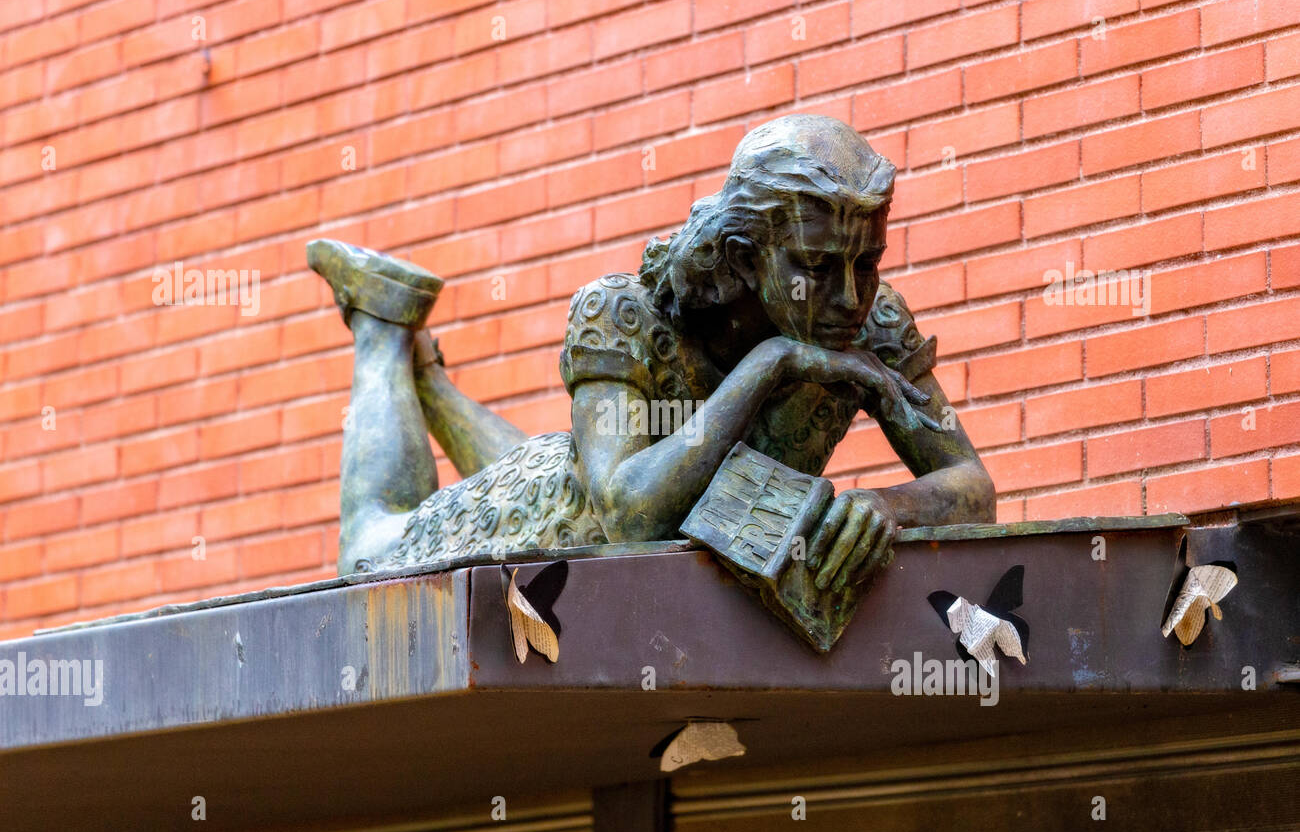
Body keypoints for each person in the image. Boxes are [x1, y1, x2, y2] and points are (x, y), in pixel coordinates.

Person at [309, 114, 994, 601]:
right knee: (369, 548)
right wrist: (774, 363)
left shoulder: (866, 323)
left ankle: (427, 378)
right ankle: (380, 322)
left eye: (868, 262)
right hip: (549, 522)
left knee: (567, 458)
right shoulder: (624, 313)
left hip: (585, 470)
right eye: (815, 267)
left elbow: (971, 486)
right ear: (743, 256)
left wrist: (888, 506)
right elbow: (628, 518)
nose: (850, 295)